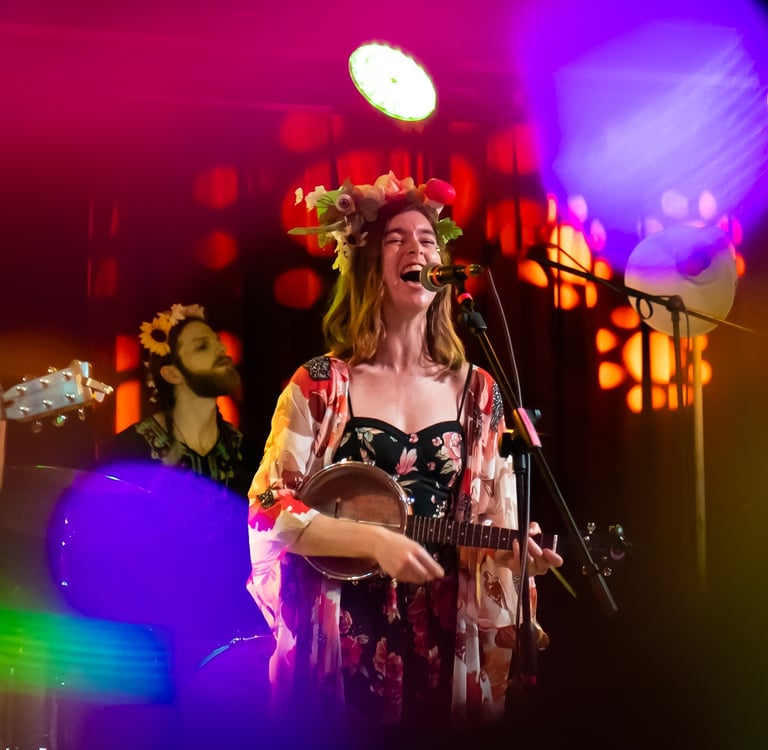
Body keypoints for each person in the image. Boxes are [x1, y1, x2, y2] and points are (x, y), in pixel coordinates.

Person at [246, 172, 563, 739]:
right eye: (397, 238)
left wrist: (515, 557)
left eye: (428, 239)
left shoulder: (478, 394)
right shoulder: (320, 385)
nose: (418, 247)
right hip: (344, 624)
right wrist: (372, 539)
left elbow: (495, 519)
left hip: (443, 624)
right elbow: (269, 507)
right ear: (370, 262)